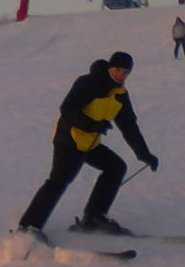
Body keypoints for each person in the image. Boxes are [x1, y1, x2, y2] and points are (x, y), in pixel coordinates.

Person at [17, 51, 158, 239]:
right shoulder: (88, 83)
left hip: (90, 144)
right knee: (59, 180)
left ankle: (94, 217)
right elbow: (67, 109)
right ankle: (28, 227)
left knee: (115, 167)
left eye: (125, 73)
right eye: (117, 70)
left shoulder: (120, 95)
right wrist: (93, 125)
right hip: (69, 140)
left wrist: (144, 154)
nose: (120, 75)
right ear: (110, 67)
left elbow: (129, 126)